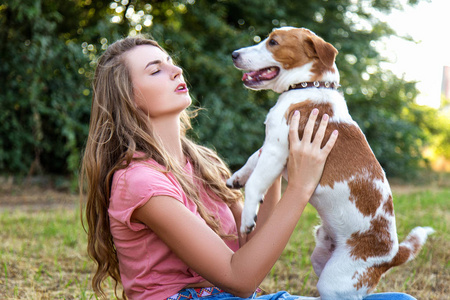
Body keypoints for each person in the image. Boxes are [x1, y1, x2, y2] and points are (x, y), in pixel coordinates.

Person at [80, 36, 416, 300]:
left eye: (171, 63)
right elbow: (240, 279)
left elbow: (251, 250)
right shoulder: (139, 181)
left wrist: (275, 163)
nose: (176, 70)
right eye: (156, 70)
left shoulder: (201, 164)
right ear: (128, 98)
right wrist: (299, 187)